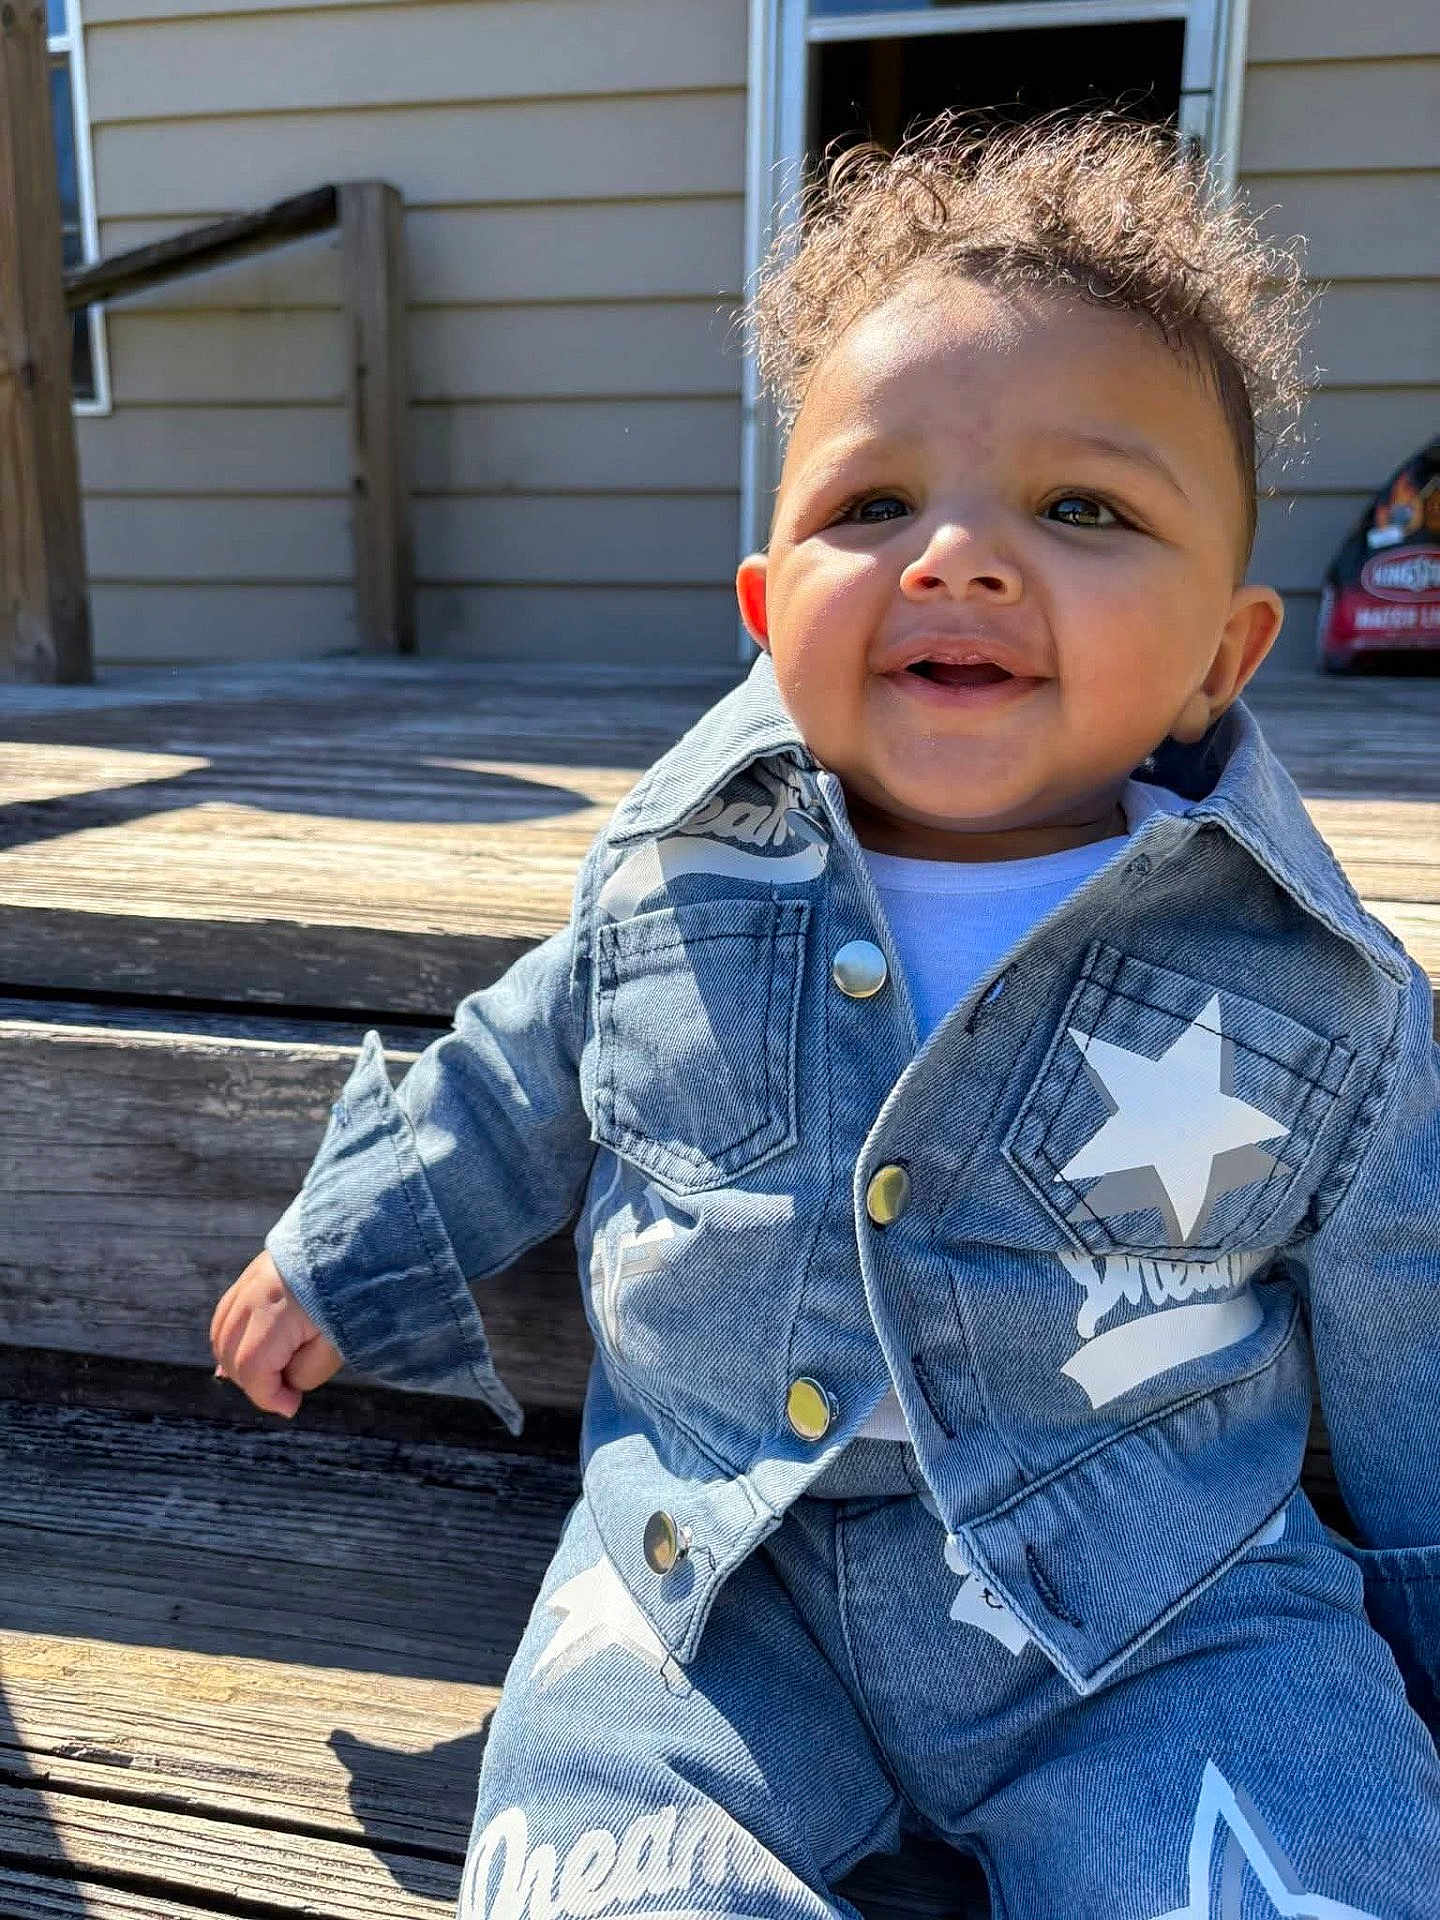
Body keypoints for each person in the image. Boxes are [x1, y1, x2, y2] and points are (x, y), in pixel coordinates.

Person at [210, 113, 1440, 1917]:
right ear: (767, 607)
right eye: (873, 505)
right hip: (701, 1583)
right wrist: (350, 1246)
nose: (956, 556)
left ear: (1223, 656)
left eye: (1082, 508)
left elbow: (1413, 1305)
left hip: (1162, 1597)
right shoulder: (672, 884)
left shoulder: (1320, 990)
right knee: (598, 1886)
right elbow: (523, 1075)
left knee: (1315, 1875)